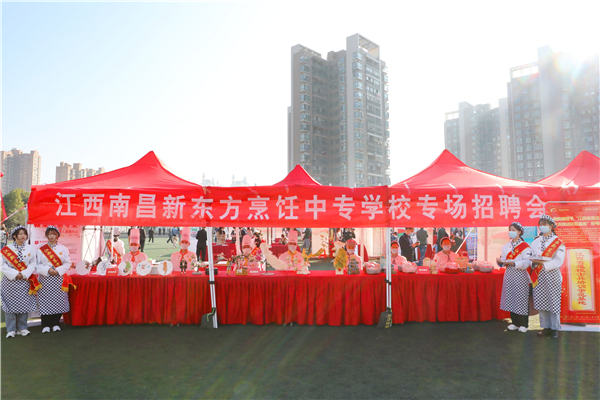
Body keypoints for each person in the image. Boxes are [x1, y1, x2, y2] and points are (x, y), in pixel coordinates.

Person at [530, 215, 566, 339]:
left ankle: (554, 328)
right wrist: (533, 262)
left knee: (553, 302)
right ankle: (545, 327)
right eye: (540, 224)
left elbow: (559, 260)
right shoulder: (536, 241)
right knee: (541, 301)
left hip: (552, 275)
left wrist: (544, 265)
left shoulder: (558, 242)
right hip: (538, 275)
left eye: (545, 224)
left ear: (552, 226)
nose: (542, 226)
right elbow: (531, 256)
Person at [36, 226, 76, 333]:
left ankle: (55, 323)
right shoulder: (41, 249)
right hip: (45, 279)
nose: (52, 236)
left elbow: (67, 263)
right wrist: (48, 270)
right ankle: (45, 324)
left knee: (58, 300)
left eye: (54, 234)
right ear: (46, 235)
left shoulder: (63, 249)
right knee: (45, 301)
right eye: (49, 234)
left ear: (57, 236)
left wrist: (57, 270)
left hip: (58, 278)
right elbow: (37, 264)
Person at [1, 226, 39, 338]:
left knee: (24, 304)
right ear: (14, 236)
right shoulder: (6, 249)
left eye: (24, 234)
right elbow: (2, 264)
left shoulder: (30, 249)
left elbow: (33, 263)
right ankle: (11, 329)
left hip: (24, 280)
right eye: (20, 233)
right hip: (10, 282)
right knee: (10, 305)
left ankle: (22, 328)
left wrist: (24, 274)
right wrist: (14, 274)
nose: (23, 236)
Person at [496, 222, 533, 333]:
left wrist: (514, 263)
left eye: (513, 230)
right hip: (509, 274)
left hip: (520, 275)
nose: (511, 232)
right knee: (511, 297)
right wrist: (500, 261)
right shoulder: (506, 246)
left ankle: (524, 324)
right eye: (510, 230)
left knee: (521, 298)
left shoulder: (525, 247)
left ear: (519, 232)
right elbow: (503, 259)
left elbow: (527, 262)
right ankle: (515, 322)